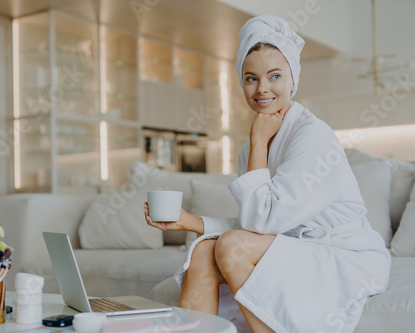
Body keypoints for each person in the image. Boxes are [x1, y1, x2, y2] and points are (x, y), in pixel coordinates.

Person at [144, 15, 391, 333]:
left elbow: (264, 223)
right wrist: (189, 222)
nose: (262, 89)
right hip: (295, 250)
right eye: (251, 78)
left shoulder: (312, 136)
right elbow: (254, 225)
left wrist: (259, 140)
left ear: (293, 79)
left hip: (345, 258)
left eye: (275, 76)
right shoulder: (248, 150)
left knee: (232, 246)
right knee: (206, 249)